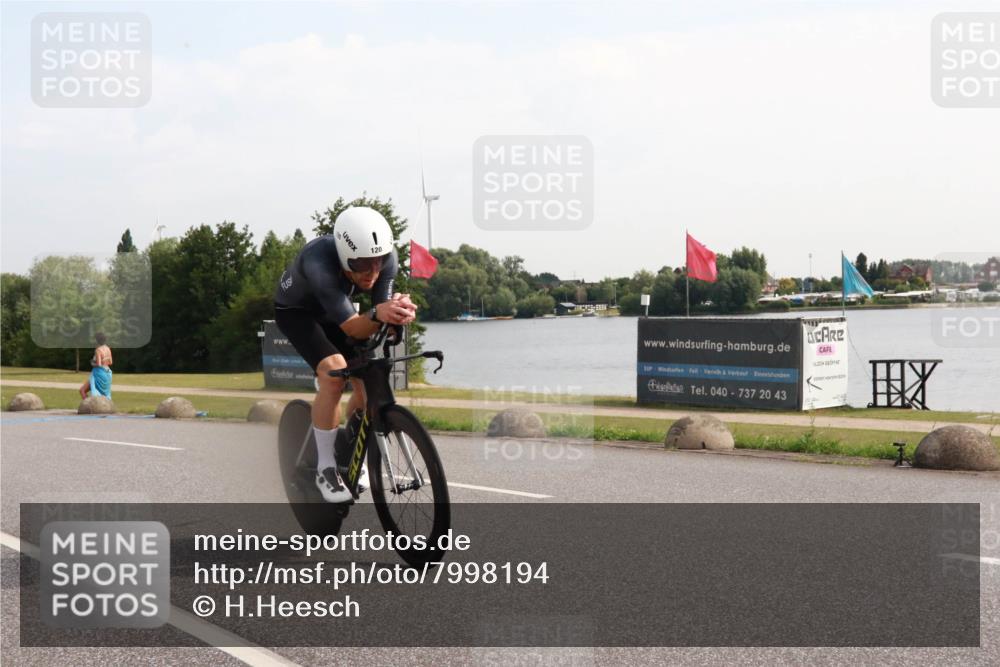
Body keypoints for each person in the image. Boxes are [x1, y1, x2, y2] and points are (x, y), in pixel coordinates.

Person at [274, 206, 417, 503]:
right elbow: (354, 327)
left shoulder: (386, 259)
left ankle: (352, 452)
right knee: (334, 372)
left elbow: (378, 314)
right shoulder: (318, 261)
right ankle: (325, 468)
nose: (372, 272)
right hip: (298, 313)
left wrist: (395, 314)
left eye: (378, 262)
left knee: (369, 379)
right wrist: (379, 313)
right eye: (362, 264)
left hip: (334, 312)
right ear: (343, 255)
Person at [79, 332, 113, 399]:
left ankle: (89, 405)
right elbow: (110, 362)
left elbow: (99, 364)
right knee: (103, 396)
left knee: (82, 390)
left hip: (99, 374)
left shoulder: (98, 350)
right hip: (108, 373)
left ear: (97, 340)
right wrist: (104, 360)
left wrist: (92, 362)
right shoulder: (108, 349)